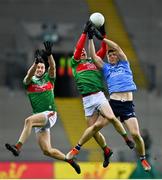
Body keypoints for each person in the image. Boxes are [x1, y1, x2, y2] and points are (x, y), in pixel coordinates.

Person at [66, 21, 135, 167]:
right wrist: (84, 33)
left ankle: (126, 139)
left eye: (85, 51)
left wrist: (102, 35)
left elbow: (104, 48)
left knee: (110, 116)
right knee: (93, 132)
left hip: (98, 95)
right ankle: (106, 150)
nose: (82, 52)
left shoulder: (94, 60)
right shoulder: (75, 63)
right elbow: (79, 49)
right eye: (80, 52)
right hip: (86, 100)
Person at [5, 41, 81, 174]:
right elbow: (29, 75)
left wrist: (50, 55)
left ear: (44, 70)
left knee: (28, 121)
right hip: (39, 118)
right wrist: (35, 63)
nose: (40, 69)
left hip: (49, 114)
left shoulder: (48, 79)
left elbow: (53, 66)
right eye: (38, 68)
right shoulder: (29, 82)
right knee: (47, 151)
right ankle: (69, 160)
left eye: (41, 67)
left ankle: (17, 147)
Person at [88, 26, 151, 172]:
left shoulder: (124, 63)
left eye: (113, 54)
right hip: (113, 104)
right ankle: (105, 150)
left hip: (127, 105)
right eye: (109, 55)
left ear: (117, 56)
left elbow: (116, 46)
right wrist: (91, 39)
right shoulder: (106, 68)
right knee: (95, 128)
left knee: (135, 134)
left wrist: (102, 38)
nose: (111, 56)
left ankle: (143, 158)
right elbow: (94, 57)